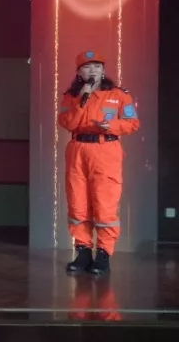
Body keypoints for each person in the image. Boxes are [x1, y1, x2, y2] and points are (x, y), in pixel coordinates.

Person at [57, 50, 139, 276]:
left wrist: (111, 126)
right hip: (77, 150)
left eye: (97, 66)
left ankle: (103, 254)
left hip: (106, 150)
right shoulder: (71, 96)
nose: (92, 70)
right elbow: (67, 123)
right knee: (77, 203)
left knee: (105, 204)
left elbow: (132, 123)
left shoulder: (118, 95)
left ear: (103, 71)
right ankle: (83, 251)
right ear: (79, 72)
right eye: (87, 67)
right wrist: (81, 99)